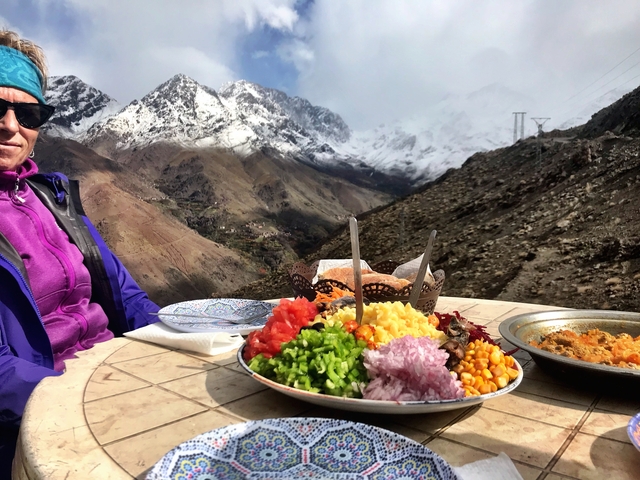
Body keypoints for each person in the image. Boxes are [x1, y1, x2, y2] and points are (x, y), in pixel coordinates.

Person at [0, 29, 161, 475]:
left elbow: (128, 298)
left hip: (114, 379)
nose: (10, 125)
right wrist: (93, 397)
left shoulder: (53, 199)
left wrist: (185, 343)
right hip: (44, 418)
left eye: (28, 113)